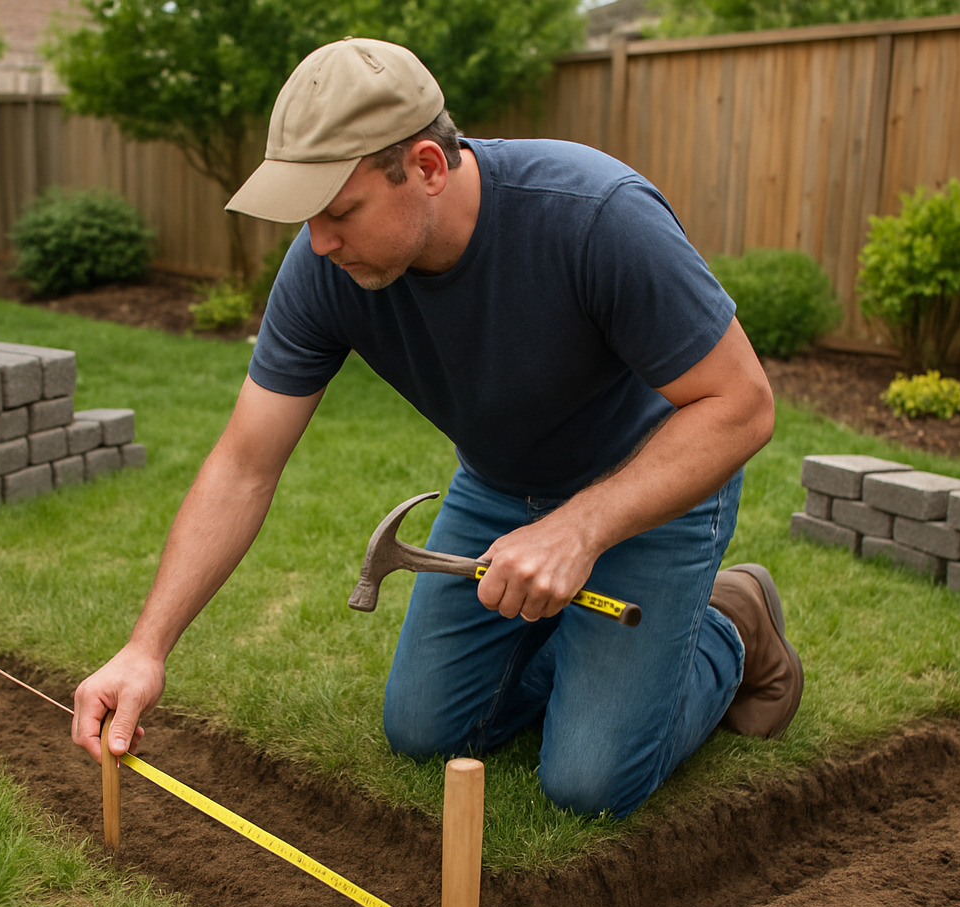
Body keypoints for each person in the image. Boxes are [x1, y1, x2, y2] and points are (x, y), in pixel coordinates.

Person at [72, 37, 804, 817]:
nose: (318, 242)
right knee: (425, 732)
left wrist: (580, 530)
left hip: (652, 486)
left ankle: (732, 622)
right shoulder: (324, 269)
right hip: (501, 487)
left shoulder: (595, 216)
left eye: (339, 211)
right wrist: (145, 648)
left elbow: (741, 404)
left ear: (426, 167)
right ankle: (601, 657)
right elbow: (244, 465)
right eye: (308, 216)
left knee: (588, 784)